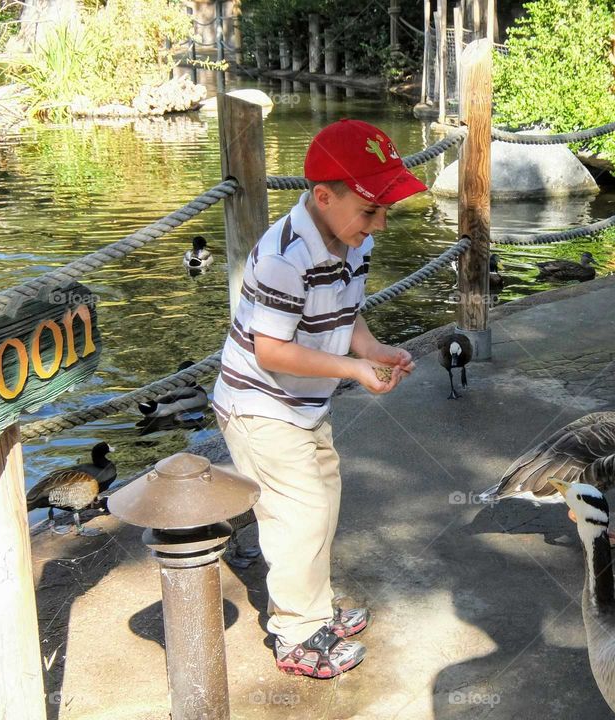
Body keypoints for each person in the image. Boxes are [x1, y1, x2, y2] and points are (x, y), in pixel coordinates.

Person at [213, 119, 422, 678]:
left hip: (305, 402)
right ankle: (296, 633)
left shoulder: (356, 238)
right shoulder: (286, 255)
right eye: (371, 210)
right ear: (323, 197)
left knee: (322, 502)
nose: (380, 223)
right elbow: (272, 350)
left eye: (384, 210)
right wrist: (354, 370)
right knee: (297, 513)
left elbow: (347, 311)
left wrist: (373, 349)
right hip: (258, 403)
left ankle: (314, 604)